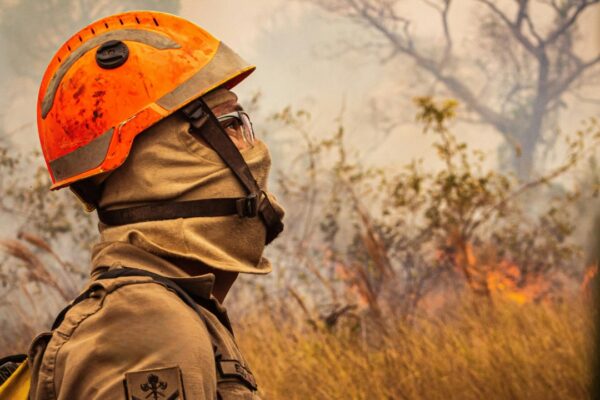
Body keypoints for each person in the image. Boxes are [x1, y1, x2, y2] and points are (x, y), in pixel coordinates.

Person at [28, 11, 284, 400]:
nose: (253, 146)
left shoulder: (173, 309)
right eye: (232, 124)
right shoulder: (144, 329)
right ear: (161, 161)